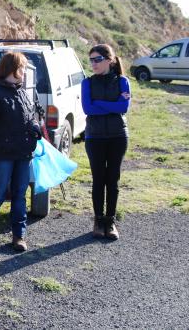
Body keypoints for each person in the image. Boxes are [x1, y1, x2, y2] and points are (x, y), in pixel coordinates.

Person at [0, 52, 42, 252]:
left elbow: (29, 117)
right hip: (2, 154)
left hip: (23, 153)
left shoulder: (22, 92)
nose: (24, 71)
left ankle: (19, 236)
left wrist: (35, 126)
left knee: (20, 195)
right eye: (22, 67)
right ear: (12, 69)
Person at [81, 44, 131, 240]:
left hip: (118, 136)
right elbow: (88, 109)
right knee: (98, 180)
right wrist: (112, 106)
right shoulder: (87, 83)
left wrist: (99, 103)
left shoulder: (122, 81)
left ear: (109, 60)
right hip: (94, 137)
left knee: (113, 180)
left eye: (97, 59)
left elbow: (124, 107)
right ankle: (98, 220)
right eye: (91, 60)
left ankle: (110, 221)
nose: (93, 63)